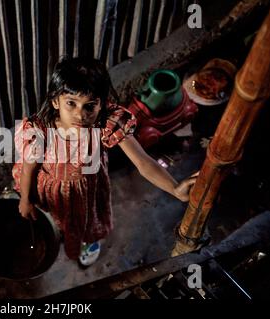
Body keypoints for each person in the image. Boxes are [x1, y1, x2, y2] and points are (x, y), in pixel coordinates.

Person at [12, 56, 197, 267]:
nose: (80, 115)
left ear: (101, 104)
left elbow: (143, 162)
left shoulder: (106, 124)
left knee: (85, 222)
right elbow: (29, 169)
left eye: (89, 106)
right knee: (53, 217)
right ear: (56, 101)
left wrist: (174, 188)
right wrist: (25, 199)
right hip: (48, 188)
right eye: (71, 103)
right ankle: (59, 231)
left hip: (85, 190)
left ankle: (85, 240)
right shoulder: (41, 131)